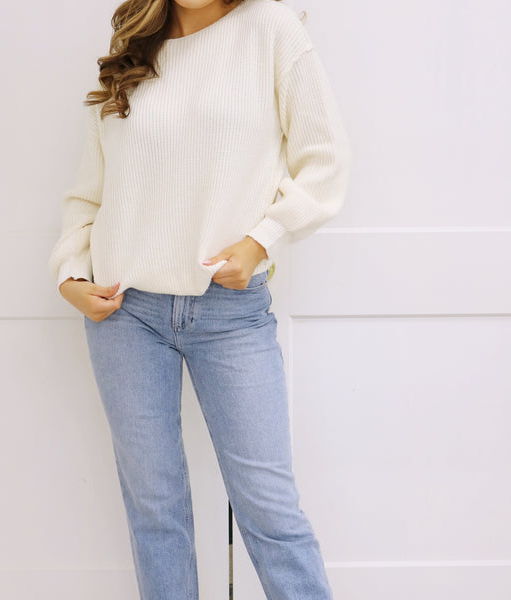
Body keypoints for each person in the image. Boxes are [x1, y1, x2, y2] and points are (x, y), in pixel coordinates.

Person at [48, 0, 351, 598]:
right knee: (154, 511)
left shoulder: (271, 30)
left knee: (269, 511)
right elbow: (90, 191)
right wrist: (70, 274)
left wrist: (260, 241)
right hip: (124, 314)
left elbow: (325, 160)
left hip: (229, 311)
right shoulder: (134, 45)